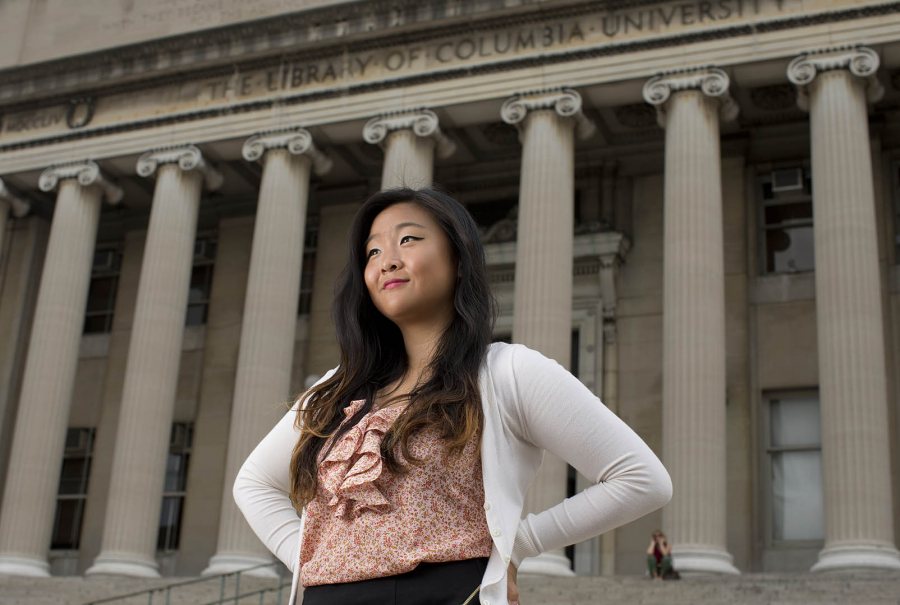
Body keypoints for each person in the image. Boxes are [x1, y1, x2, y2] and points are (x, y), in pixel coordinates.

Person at [233, 187, 673, 605]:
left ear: (458, 258)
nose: (387, 261)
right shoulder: (338, 388)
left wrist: (517, 545)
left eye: (408, 239)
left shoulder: (507, 372)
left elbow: (642, 479)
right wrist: (310, 560)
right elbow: (253, 485)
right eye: (373, 251)